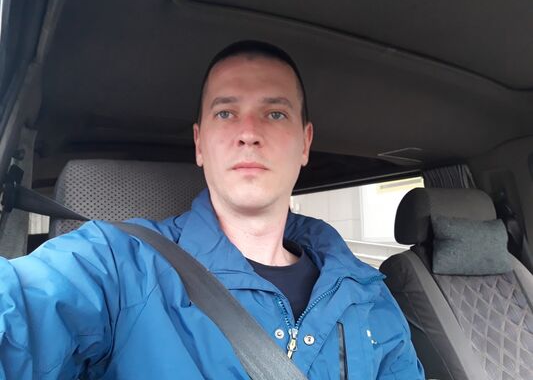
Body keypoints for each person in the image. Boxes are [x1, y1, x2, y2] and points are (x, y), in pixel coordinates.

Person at [0, 40, 425, 379]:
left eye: (275, 114)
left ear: (305, 143)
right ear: (199, 143)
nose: (248, 132)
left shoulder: (367, 295)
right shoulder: (120, 263)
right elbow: (21, 312)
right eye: (226, 113)